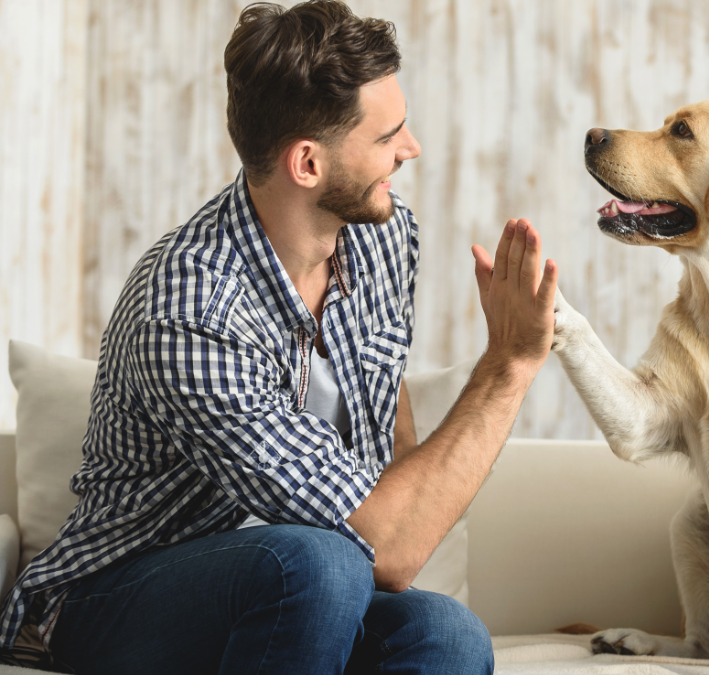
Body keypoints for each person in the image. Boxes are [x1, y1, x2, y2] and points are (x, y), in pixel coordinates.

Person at [0, 1, 557, 673]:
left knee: (448, 634)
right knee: (317, 564)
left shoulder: (384, 238)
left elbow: (387, 448)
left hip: (303, 591)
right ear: (307, 164)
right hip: (115, 595)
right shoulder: (190, 306)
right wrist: (510, 365)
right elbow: (391, 542)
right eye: (388, 137)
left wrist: (391, 522)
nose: (410, 150)